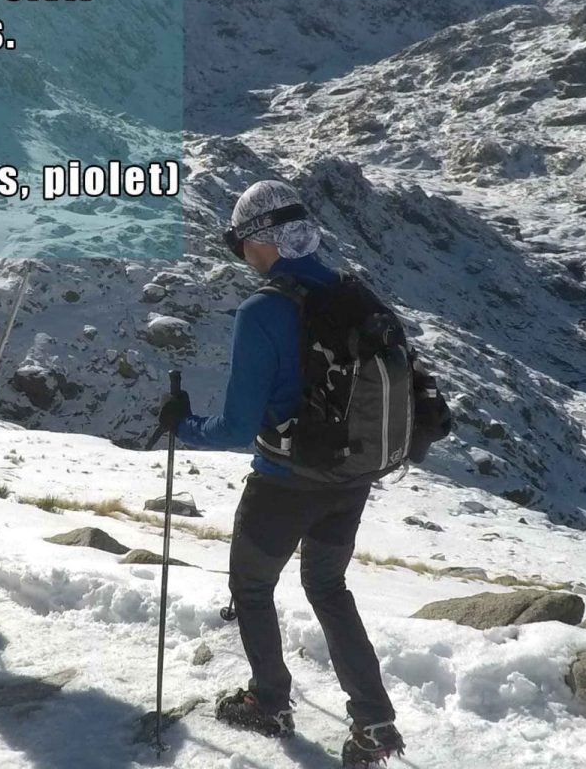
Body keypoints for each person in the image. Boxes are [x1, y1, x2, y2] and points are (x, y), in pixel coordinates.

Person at [159, 180, 404, 763]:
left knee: (252, 586)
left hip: (284, 483)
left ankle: (268, 701)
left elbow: (237, 428)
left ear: (256, 241)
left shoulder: (264, 310)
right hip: (351, 478)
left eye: (239, 244)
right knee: (327, 588)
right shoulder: (356, 293)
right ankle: (374, 723)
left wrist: (182, 424)